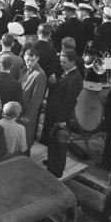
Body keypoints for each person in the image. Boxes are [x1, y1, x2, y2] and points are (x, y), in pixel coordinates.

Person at [43, 50, 84, 178]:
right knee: (52, 140)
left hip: (60, 116)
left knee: (59, 142)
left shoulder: (75, 78)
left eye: (64, 62)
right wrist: (54, 83)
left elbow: (69, 102)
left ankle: (56, 170)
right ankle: (52, 162)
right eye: (60, 61)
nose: (61, 65)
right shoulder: (67, 73)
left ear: (73, 62)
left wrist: (60, 119)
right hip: (54, 113)